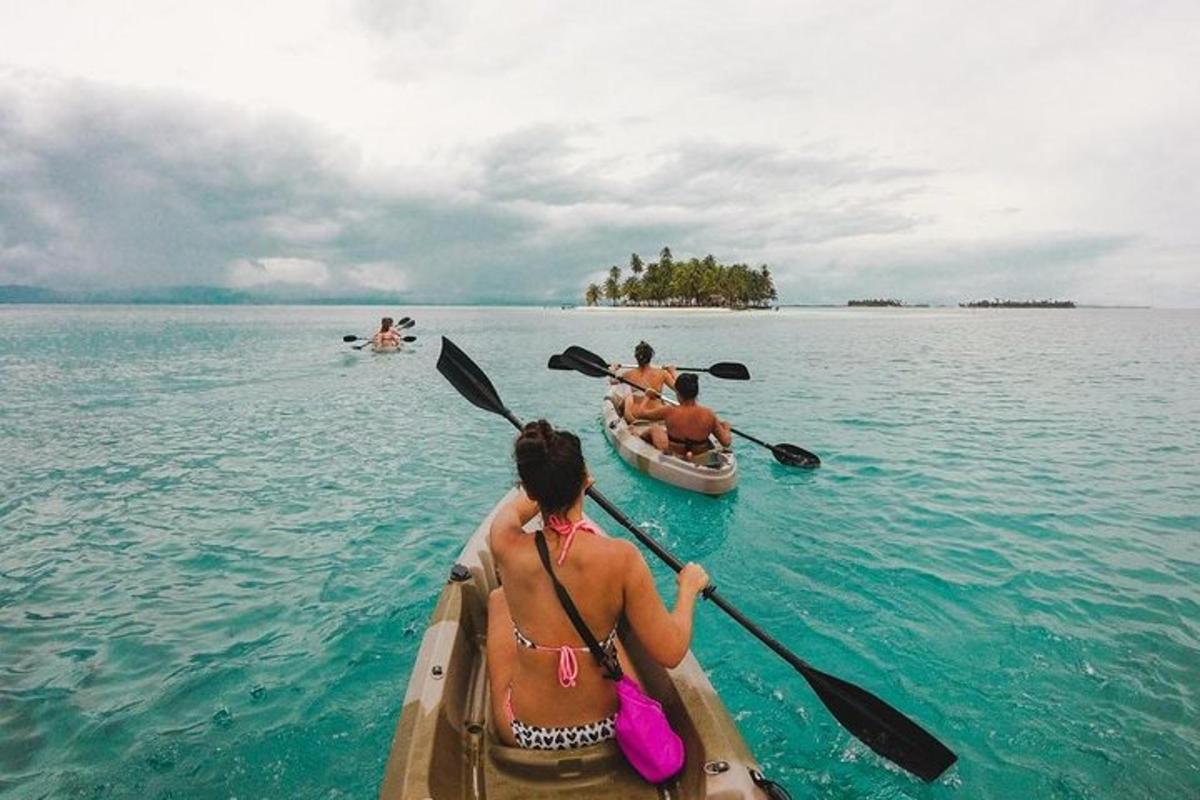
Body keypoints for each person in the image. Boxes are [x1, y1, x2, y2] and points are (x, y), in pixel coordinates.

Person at [486, 421, 710, 750]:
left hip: (525, 732)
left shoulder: (504, 543)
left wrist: (543, 480)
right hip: (609, 726)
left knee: (499, 599)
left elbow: (514, 509)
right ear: (586, 479)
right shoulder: (621, 558)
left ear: (530, 489)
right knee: (605, 633)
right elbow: (672, 651)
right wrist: (688, 589)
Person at [633, 373, 732, 460]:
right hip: (700, 454)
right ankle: (691, 455)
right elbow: (726, 442)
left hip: (676, 455)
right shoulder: (709, 414)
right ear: (696, 393)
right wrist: (727, 427)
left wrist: (647, 396)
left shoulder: (668, 411)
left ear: (678, 393)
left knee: (655, 428)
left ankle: (637, 437)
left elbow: (639, 414)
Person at [613, 341, 676, 424]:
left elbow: (613, 381)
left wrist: (613, 369)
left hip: (636, 414)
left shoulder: (627, 375)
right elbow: (678, 389)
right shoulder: (662, 373)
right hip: (656, 413)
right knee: (670, 409)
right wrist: (673, 372)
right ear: (650, 357)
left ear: (636, 357)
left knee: (627, 399)